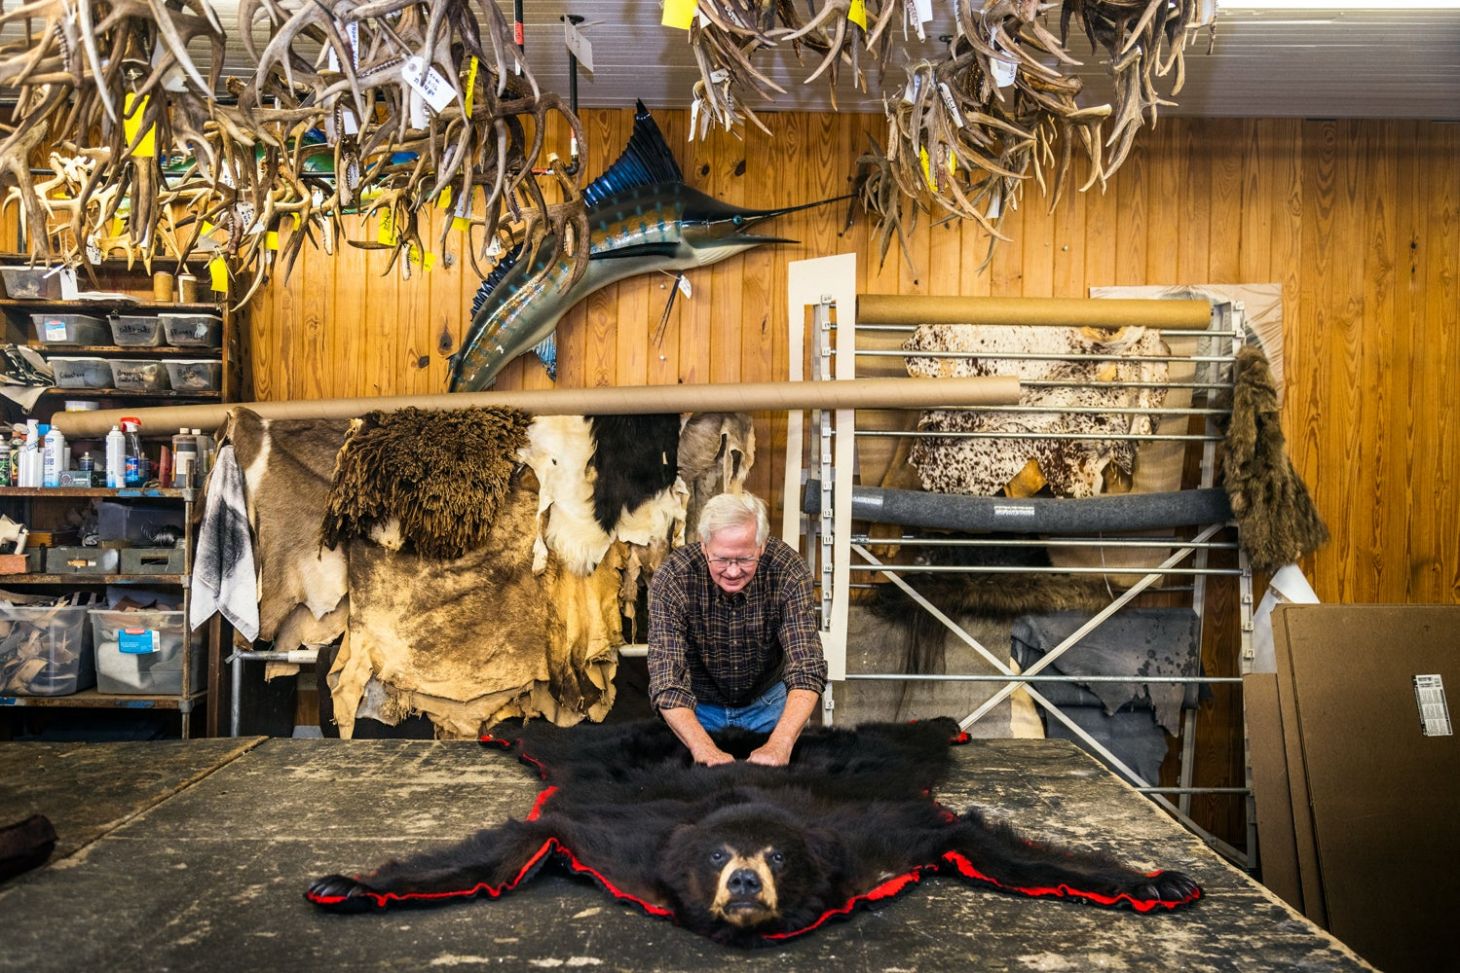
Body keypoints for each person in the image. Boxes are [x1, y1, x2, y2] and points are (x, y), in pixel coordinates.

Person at [647, 491, 826, 767]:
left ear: (762, 546)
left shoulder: (788, 571)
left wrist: (780, 744)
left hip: (768, 708)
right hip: (698, 712)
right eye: (721, 559)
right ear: (705, 546)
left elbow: (807, 667)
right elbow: (666, 680)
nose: (732, 571)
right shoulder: (674, 577)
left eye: (744, 559)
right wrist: (704, 749)